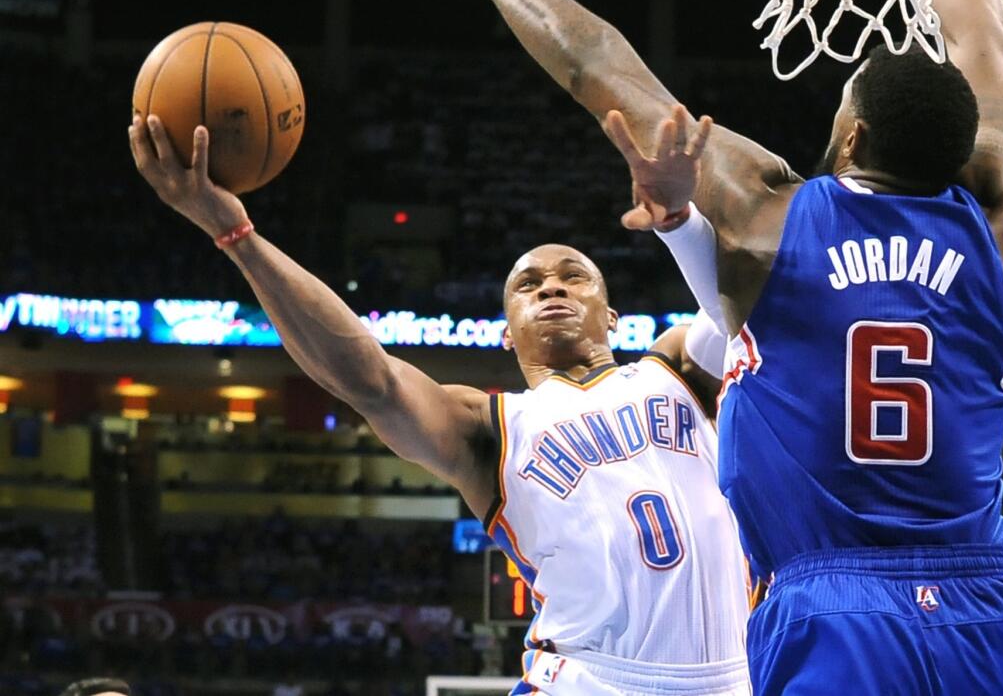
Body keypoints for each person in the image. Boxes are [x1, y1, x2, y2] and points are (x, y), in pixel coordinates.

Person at [406, 0, 1003, 692]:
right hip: (984, 607)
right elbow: (990, 45)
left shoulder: (771, 221)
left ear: (850, 136)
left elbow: (596, 64)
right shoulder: (999, 212)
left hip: (833, 602)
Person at [127, 113, 750, 696]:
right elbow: (368, 379)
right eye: (527, 286)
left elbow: (753, 291)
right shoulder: (489, 425)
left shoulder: (677, 368)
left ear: (611, 315)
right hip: (588, 678)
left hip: (737, 677)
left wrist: (680, 217)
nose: (552, 285)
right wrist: (236, 235)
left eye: (574, 276)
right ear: (508, 331)